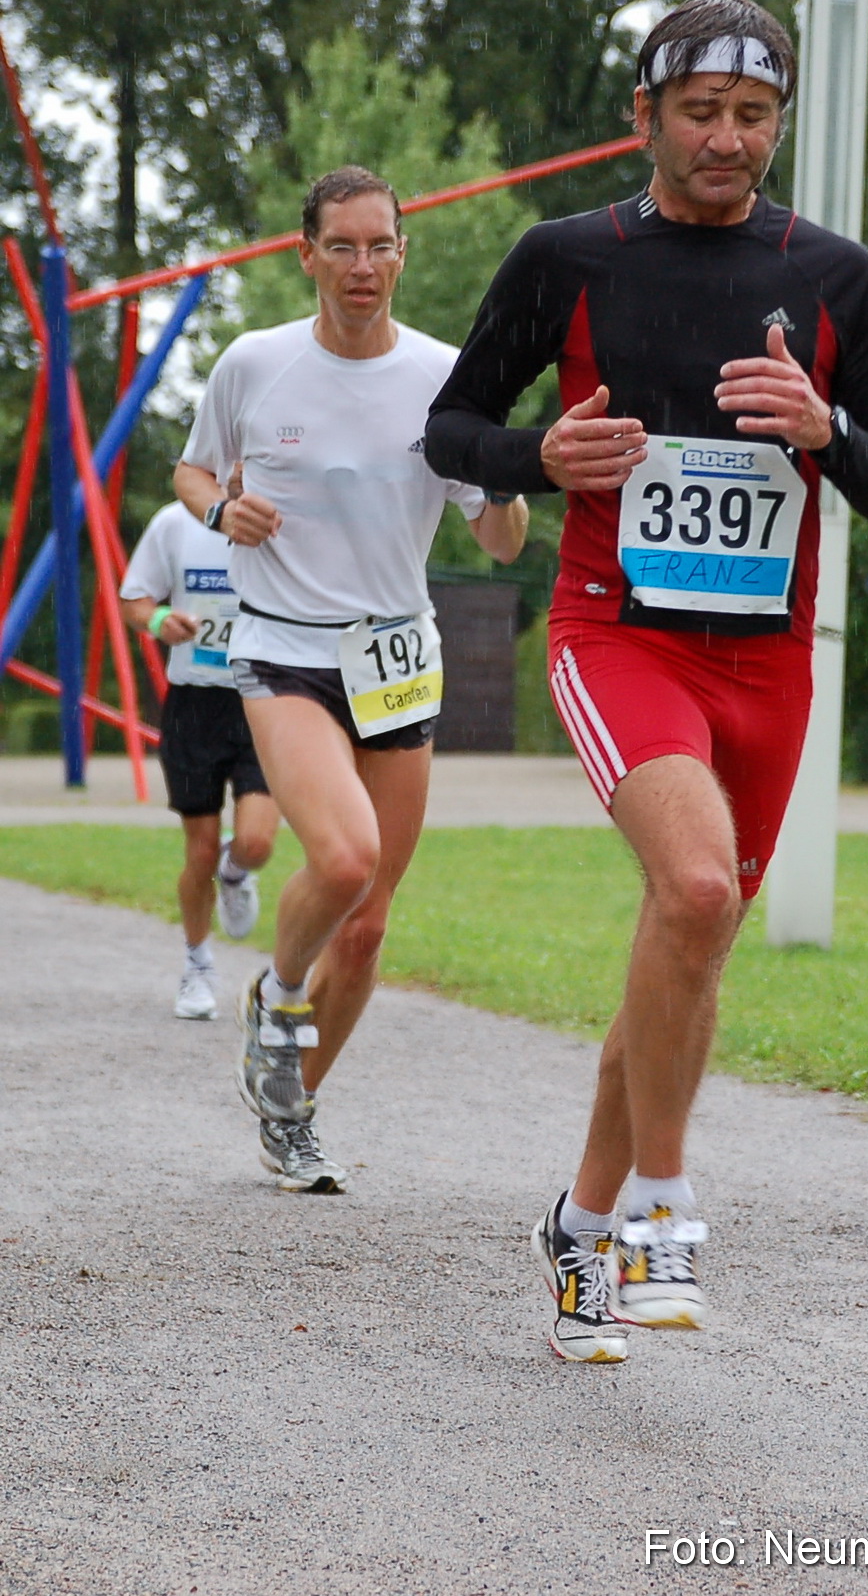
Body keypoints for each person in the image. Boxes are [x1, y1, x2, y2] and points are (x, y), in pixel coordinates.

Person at [425, 0, 868, 1362]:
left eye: (752, 115)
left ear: (779, 124)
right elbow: (451, 427)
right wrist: (541, 457)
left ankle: (578, 1235)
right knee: (696, 887)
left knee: (684, 947)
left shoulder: (834, 277)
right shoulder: (565, 257)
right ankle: (660, 1207)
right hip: (617, 634)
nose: (725, 138)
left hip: (765, 668)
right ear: (643, 118)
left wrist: (826, 432)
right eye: (697, 112)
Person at [175, 165, 527, 1193]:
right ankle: (278, 996)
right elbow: (196, 471)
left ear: (402, 253)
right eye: (344, 246)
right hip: (283, 648)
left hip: (397, 660)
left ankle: (291, 1107)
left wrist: (507, 480)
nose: (363, 266)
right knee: (343, 861)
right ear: (307, 255)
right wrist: (216, 512)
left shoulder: (446, 375)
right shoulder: (255, 363)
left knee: (369, 925)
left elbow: (501, 540)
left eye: (381, 245)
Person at [120, 501, 279, 1020]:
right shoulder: (175, 522)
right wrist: (162, 618)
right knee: (200, 849)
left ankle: (237, 874)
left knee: (255, 842)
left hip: (265, 697)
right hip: (195, 702)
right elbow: (133, 600)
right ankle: (197, 966)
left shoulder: (286, 515)